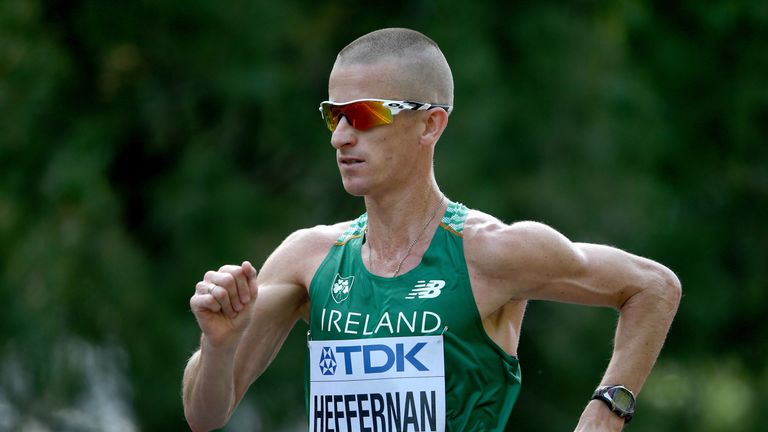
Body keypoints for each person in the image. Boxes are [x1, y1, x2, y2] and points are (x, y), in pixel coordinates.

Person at [182, 28, 681, 432]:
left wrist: (606, 410)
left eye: (363, 114)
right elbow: (205, 415)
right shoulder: (308, 258)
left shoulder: (489, 251)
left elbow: (653, 287)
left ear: (430, 125)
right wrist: (219, 346)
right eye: (333, 115)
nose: (339, 136)